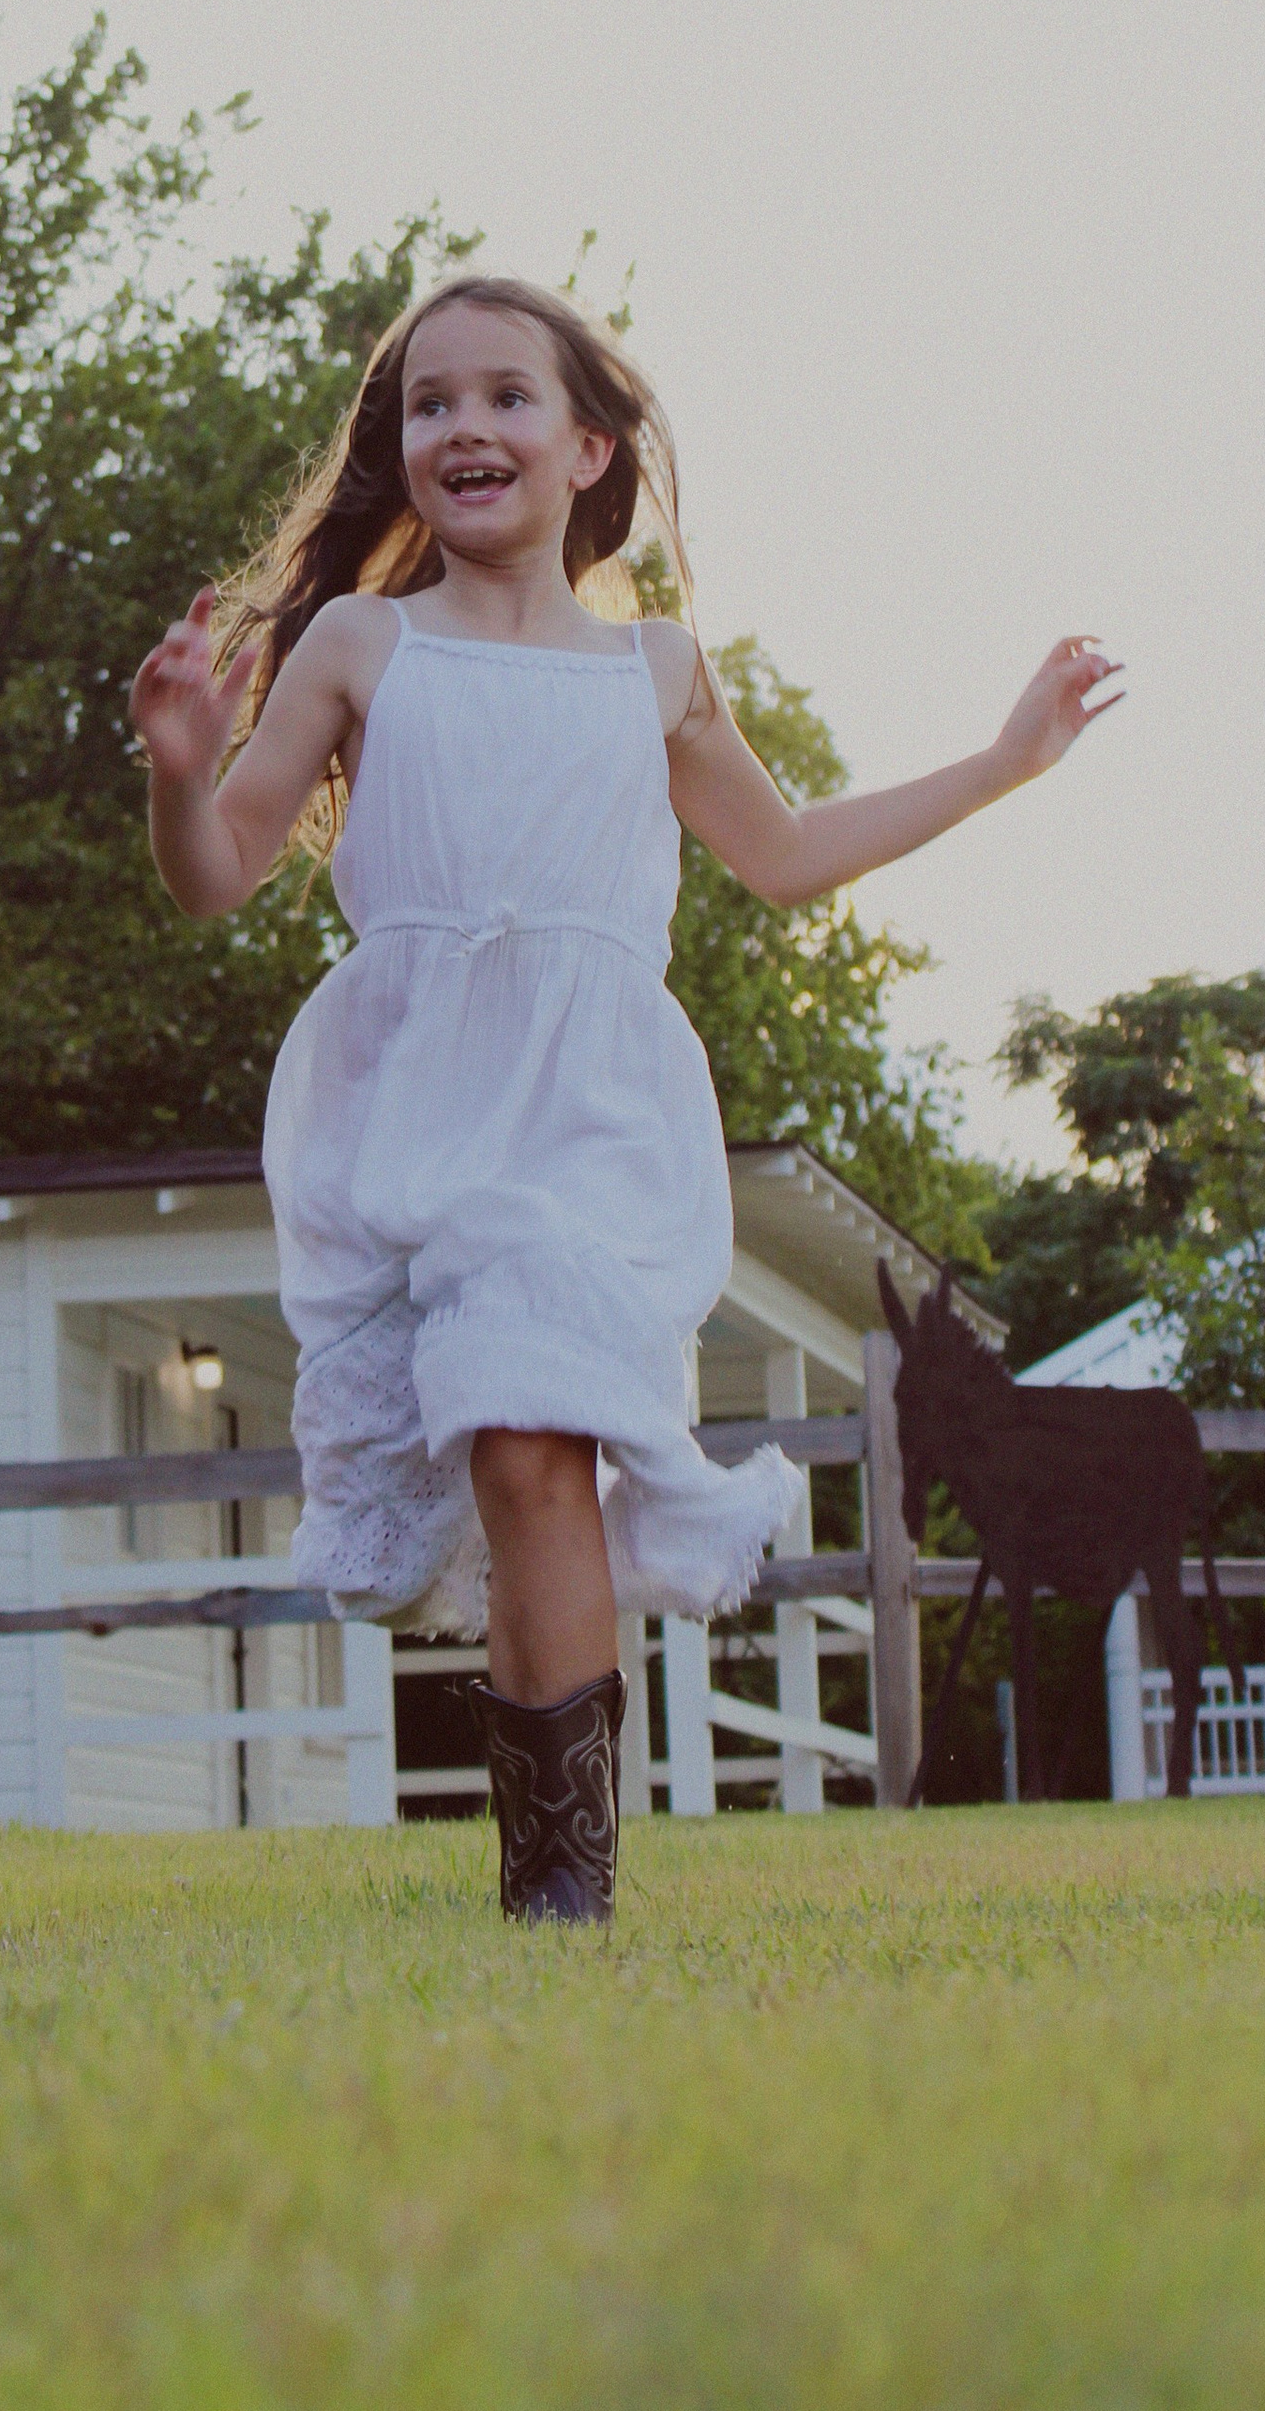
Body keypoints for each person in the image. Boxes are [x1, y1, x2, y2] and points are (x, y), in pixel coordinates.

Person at [130, 275, 1118, 1921]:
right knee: (521, 1477)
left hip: (590, 1118)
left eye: (506, 397)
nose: (464, 427)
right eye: (428, 403)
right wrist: (178, 773)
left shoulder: (653, 667)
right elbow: (218, 872)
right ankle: (551, 1878)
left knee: (537, 1439)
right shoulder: (359, 643)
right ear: (402, 448)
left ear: (590, 445)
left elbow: (789, 857)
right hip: (419, 1117)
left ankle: (568, 1892)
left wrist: (1005, 759)